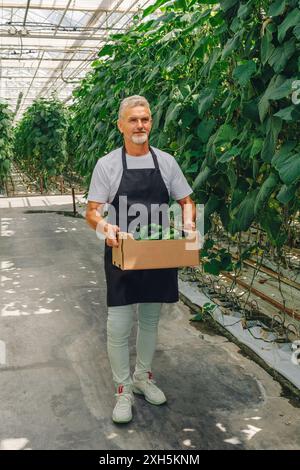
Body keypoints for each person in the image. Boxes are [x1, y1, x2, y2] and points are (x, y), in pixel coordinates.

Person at [86, 95, 196, 424]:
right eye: (133, 120)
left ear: (151, 122)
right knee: (119, 326)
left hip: (157, 254)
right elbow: (92, 211)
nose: (140, 125)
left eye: (145, 119)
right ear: (121, 125)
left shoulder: (166, 163)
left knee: (150, 322)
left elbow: (187, 201)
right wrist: (105, 226)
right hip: (122, 253)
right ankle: (122, 389)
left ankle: (142, 377)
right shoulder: (107, 165)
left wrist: (188, 222)